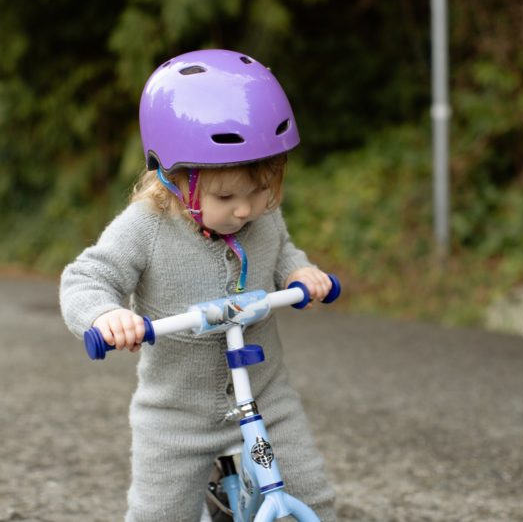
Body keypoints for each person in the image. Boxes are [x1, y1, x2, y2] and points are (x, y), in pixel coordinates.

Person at [60, 49, 336, 521]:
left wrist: (299, 273)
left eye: (261, 188)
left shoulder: (263, 218)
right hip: (177, 417)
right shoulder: (145, 228)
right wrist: (106, 314)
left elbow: (285, 251)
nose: (247, 209)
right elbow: (87, 277)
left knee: (311, 495)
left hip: (266, 397)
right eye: (227, 195)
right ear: (173, 179)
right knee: (160, 514)